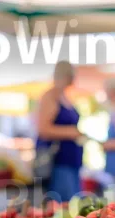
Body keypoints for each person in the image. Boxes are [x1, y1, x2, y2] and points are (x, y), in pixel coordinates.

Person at [35, 61, 84, 202]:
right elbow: (43, 129)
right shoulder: (50, 97)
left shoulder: (64, 96)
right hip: (58, 162)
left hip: (71, 161)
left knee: (74, 203)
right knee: (63, 205)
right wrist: (70, 132)